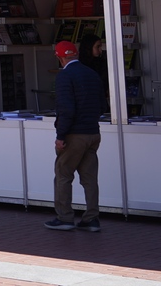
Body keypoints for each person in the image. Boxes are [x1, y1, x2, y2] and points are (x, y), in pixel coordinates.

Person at [46, 41, 103, 231]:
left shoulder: (65, 76)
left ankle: (64, 218)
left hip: (74, 134)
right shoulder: (92, 74)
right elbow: (102, 104)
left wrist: (61, 135)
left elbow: (66, 109)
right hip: (93, 133)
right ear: (76, 54)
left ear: (59, 57)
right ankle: (91, 219)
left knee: (63, 174)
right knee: (89, 178)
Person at [78, 33, 110, 112]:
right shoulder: (79, 65)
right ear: (89, 47)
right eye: (97, 47)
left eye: (100, 47)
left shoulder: (102, 63)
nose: (100, 50)